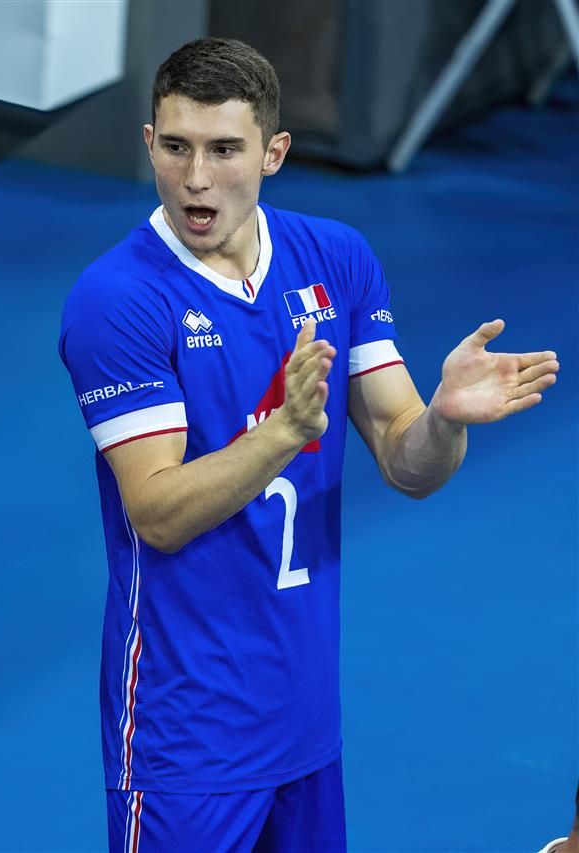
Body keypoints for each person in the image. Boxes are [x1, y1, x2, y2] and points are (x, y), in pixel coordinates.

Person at [57, 37, 560, 853]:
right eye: (176, 147)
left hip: (305, 723)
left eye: (225, 150)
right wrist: (286, 432)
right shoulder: (117, 300)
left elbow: (406, 459)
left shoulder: (336, 258)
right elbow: (156, 511)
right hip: (186, 735)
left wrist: (444, 419)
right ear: (148, 142)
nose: (195, 178)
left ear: (275, 152)